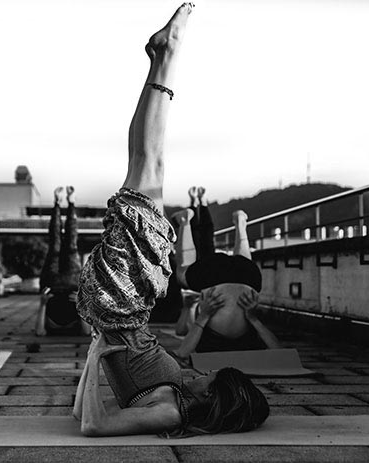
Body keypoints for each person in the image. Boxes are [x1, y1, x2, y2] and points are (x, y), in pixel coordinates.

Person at [73, 4, 269, 437]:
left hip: (119, 305)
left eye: (209, 381)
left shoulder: (172, 411)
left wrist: (96, 352)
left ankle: (166, 57)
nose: (202, 374)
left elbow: (91, 425)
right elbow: (78, 414)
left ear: (211, 401)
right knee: (149, 171)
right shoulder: (178, 392)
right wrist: (96, 350)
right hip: (128, 308)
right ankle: (164, 59)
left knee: (148, 168)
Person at [171, 188, 280, 357]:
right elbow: (182, 353)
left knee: (244, 266)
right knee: (183, 273)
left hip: (247, 279)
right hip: (212, 281)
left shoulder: (248, 342)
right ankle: (185, 222)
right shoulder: (209, 344)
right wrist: (252, 318)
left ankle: (240, 225)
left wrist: (205, 315)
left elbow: (280, 352)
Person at [35, 186, 91, 336]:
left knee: (66, 243)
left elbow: (40, 333)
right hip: (66, 285)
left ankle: (65, 203)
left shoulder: (63, 327)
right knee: (61, 243)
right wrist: (80, 303)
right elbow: (87, 332)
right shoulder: (55, 326)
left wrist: (42, 304)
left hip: (54, 286)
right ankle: (62, 203)